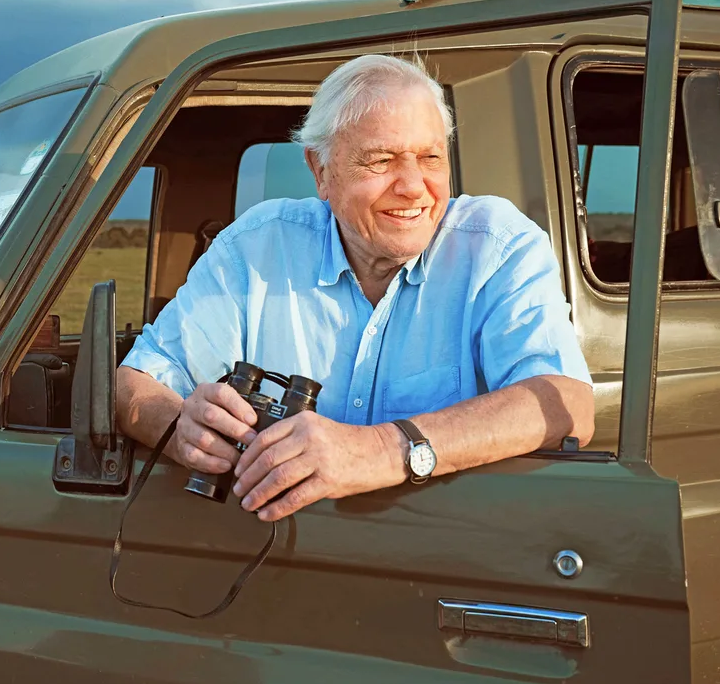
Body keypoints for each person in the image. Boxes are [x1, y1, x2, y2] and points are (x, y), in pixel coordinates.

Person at [116, 53, 594, 522]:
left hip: (447, 554)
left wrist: (383, 449)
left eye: (430, 157)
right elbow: (132, 383)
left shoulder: (497, 246)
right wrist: (180, 430)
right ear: (321, 171)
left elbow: (565, 403)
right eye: (381, 160)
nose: (413, 186)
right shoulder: (257, 246)